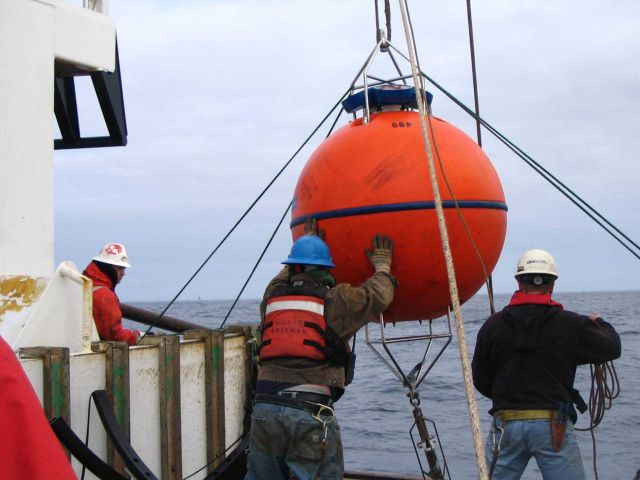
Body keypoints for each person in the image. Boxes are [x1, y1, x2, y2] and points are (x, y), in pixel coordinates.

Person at [244, 230, 397, 480]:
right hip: (309, 411)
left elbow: (278, 280)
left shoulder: (272, 298)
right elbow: (377, 296)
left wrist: (303, 241)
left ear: (293, 267)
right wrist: (382, 266)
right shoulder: (338, 300)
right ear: (326, 269)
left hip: (265, 410)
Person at [472, 249, 621, 480]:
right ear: (552, 285)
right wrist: (598, 322)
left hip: (506, 424)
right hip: (554, 427)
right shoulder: (571, 324)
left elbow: (480, 378)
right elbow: (612, 347)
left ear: (519, 282)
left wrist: (510, 397)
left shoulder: (492, 326)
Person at [83, 242, 140, 345]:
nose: (123, 273)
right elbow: (115, 335)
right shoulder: (104, 295)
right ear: (107, 268)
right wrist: (136, 336)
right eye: (119, 268)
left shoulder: (82, 285)